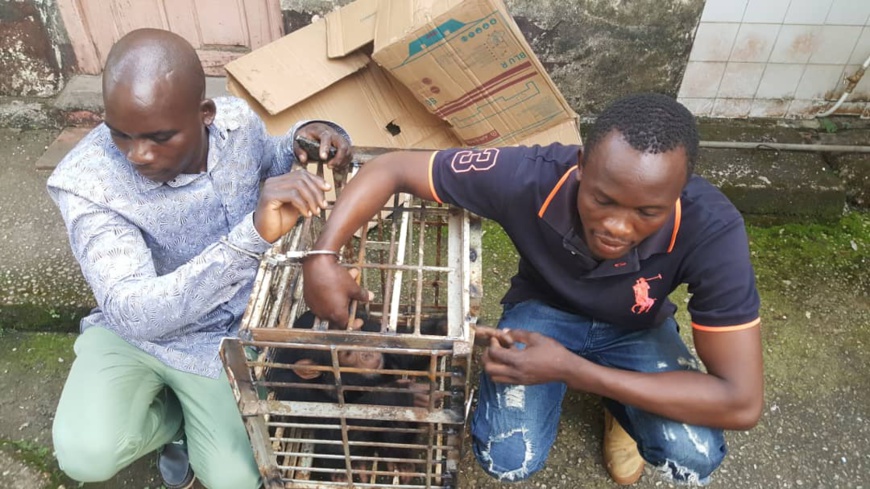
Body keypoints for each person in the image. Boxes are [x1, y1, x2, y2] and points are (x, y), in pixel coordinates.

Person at [301, 93, 763, 486]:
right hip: (544, 312)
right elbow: (394, 167)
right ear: (581, 166)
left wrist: (573, 371)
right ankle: (614, 389)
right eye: (602, 199)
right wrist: (323, 255)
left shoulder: (714, 229)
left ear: (681, 192)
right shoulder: (531, 175)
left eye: (648, 211)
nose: (617, 225)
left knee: (693, 457)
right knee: (506, 460)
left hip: (637, 326)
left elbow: (741, 403)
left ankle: (623, 403)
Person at [47, 28, 351, 489]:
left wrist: (308, 139)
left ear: (205, 115)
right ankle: (170, 422)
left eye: (159, 136)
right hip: (136, 333)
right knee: (85, 454)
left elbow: (266, 158)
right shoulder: (88, 183)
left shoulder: (235, 124)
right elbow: (133, 312)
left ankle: (190, 423)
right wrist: (249, 237)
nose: (138, 154)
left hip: (220, 339)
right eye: (120, 135)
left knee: (238, 480)